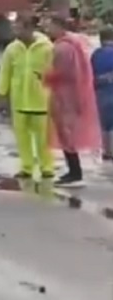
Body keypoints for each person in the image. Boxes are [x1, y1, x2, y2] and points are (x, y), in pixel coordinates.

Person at [0, 15, 54, 180]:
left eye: (18, 27)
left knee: (43, 138)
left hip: (41, 101)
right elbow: (5, 73)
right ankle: (26, 167)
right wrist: (0, 95)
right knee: (22, 137)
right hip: (19, 101)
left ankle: (46, 167)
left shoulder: (47, 47)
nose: (15, 31)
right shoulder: (12, 49)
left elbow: (54, 73)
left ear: (29, 28)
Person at [43, 16, 101, 187]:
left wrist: (45, 77)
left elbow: (60, 74)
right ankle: (74, 171)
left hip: (64, 96)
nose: (48, 30)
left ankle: (74, 173)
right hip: (72, 94)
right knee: (68, 133)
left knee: (66, 134)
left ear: (58, 26)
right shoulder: (75, 43)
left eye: (50, 25)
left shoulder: (62, 48)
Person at [91, 26, 113, 161]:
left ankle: (107, 151)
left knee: (105, 124)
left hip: (101, 92)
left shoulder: (96, 54)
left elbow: (90, 74)